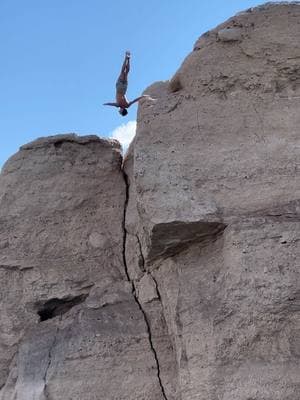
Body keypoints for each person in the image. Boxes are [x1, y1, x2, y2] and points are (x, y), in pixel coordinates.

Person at [103, 51, 154, 116]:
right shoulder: (118, 105)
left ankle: (128, 59)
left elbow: (135, 100)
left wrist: (143, 96)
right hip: (119, 88)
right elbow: (111, 104)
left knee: (126, 73)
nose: (119, 111)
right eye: (120, 112)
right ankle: (126, 58)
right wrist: (105, 104)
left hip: (124, 88)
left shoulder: (127, 105)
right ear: (122, 111)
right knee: (122, 71)